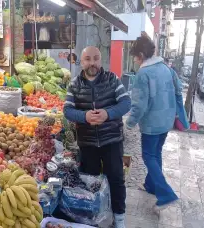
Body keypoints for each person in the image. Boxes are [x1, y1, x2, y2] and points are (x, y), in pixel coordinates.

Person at [63, 46, 131, 228]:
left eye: (95, 58)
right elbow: (67, 110)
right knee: (90, 182)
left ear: (100, 60)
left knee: (116, 179)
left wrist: (107, 114)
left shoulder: (112, 79)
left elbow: (126, 103)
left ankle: (120, 219)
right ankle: (93, 218)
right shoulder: (75, 84)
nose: (92, 63)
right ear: (82, 61)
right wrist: (84, 116)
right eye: (87, 59)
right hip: (88, 144)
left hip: (112, 141)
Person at [126, 36, 179, 213]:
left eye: (134, 56)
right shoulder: (165, 68)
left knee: (148, 156)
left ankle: (166, 195)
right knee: (156, 154)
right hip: (166, 121)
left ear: (141, 55)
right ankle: (151, 185)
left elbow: (139, 104)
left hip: (152, 124)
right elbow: (177, 91)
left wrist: (129, 122)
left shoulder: (143, 73)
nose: (134, 60)